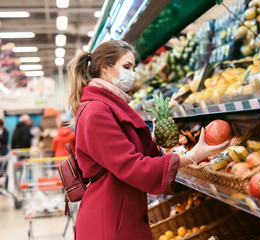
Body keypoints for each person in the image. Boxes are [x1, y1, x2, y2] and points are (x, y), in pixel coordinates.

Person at [67, 40, 228, 240]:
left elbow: (122, 154)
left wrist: (154, 136)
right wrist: (192, 156)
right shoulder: (96, 111)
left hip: (119, 211)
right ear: (105, 69)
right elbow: (132, 166)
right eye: (126, 67)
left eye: (133, 68)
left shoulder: (107, 106)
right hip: (108, 221)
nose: (132, 74)